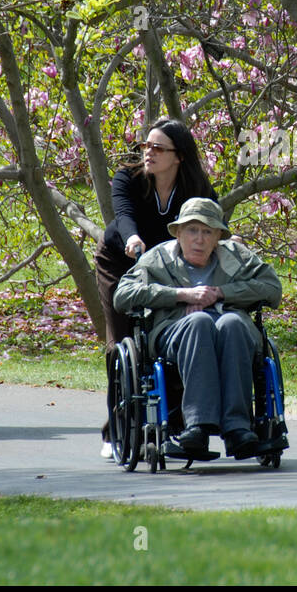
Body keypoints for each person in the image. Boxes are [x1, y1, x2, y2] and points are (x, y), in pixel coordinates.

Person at [113, 197, 281, 459]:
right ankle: (198, 426)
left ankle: (238, 428)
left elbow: (272, 288)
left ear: (218, 238)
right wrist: (181, 295)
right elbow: (123, 296)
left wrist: (220, 293)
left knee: (233, 323)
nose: (199, 239)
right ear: (178, 233)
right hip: (176, 330)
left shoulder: (236, 257)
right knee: (199, 322)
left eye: (207, 232)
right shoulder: (158, 258)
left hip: (230, 329)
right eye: (192, 230)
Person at [94, 117, 218, 456]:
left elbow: (213, 224)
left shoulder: (197, 189)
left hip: (170, 270)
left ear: (178, 156)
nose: (148, 153)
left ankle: (175, 423)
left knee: (171, 339)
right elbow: (123, 216)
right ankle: (117, 430)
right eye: (145, 146)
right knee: (122, 340)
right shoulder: (128, 178)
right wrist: (133, 237)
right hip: (121, 262)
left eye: (158, 148)